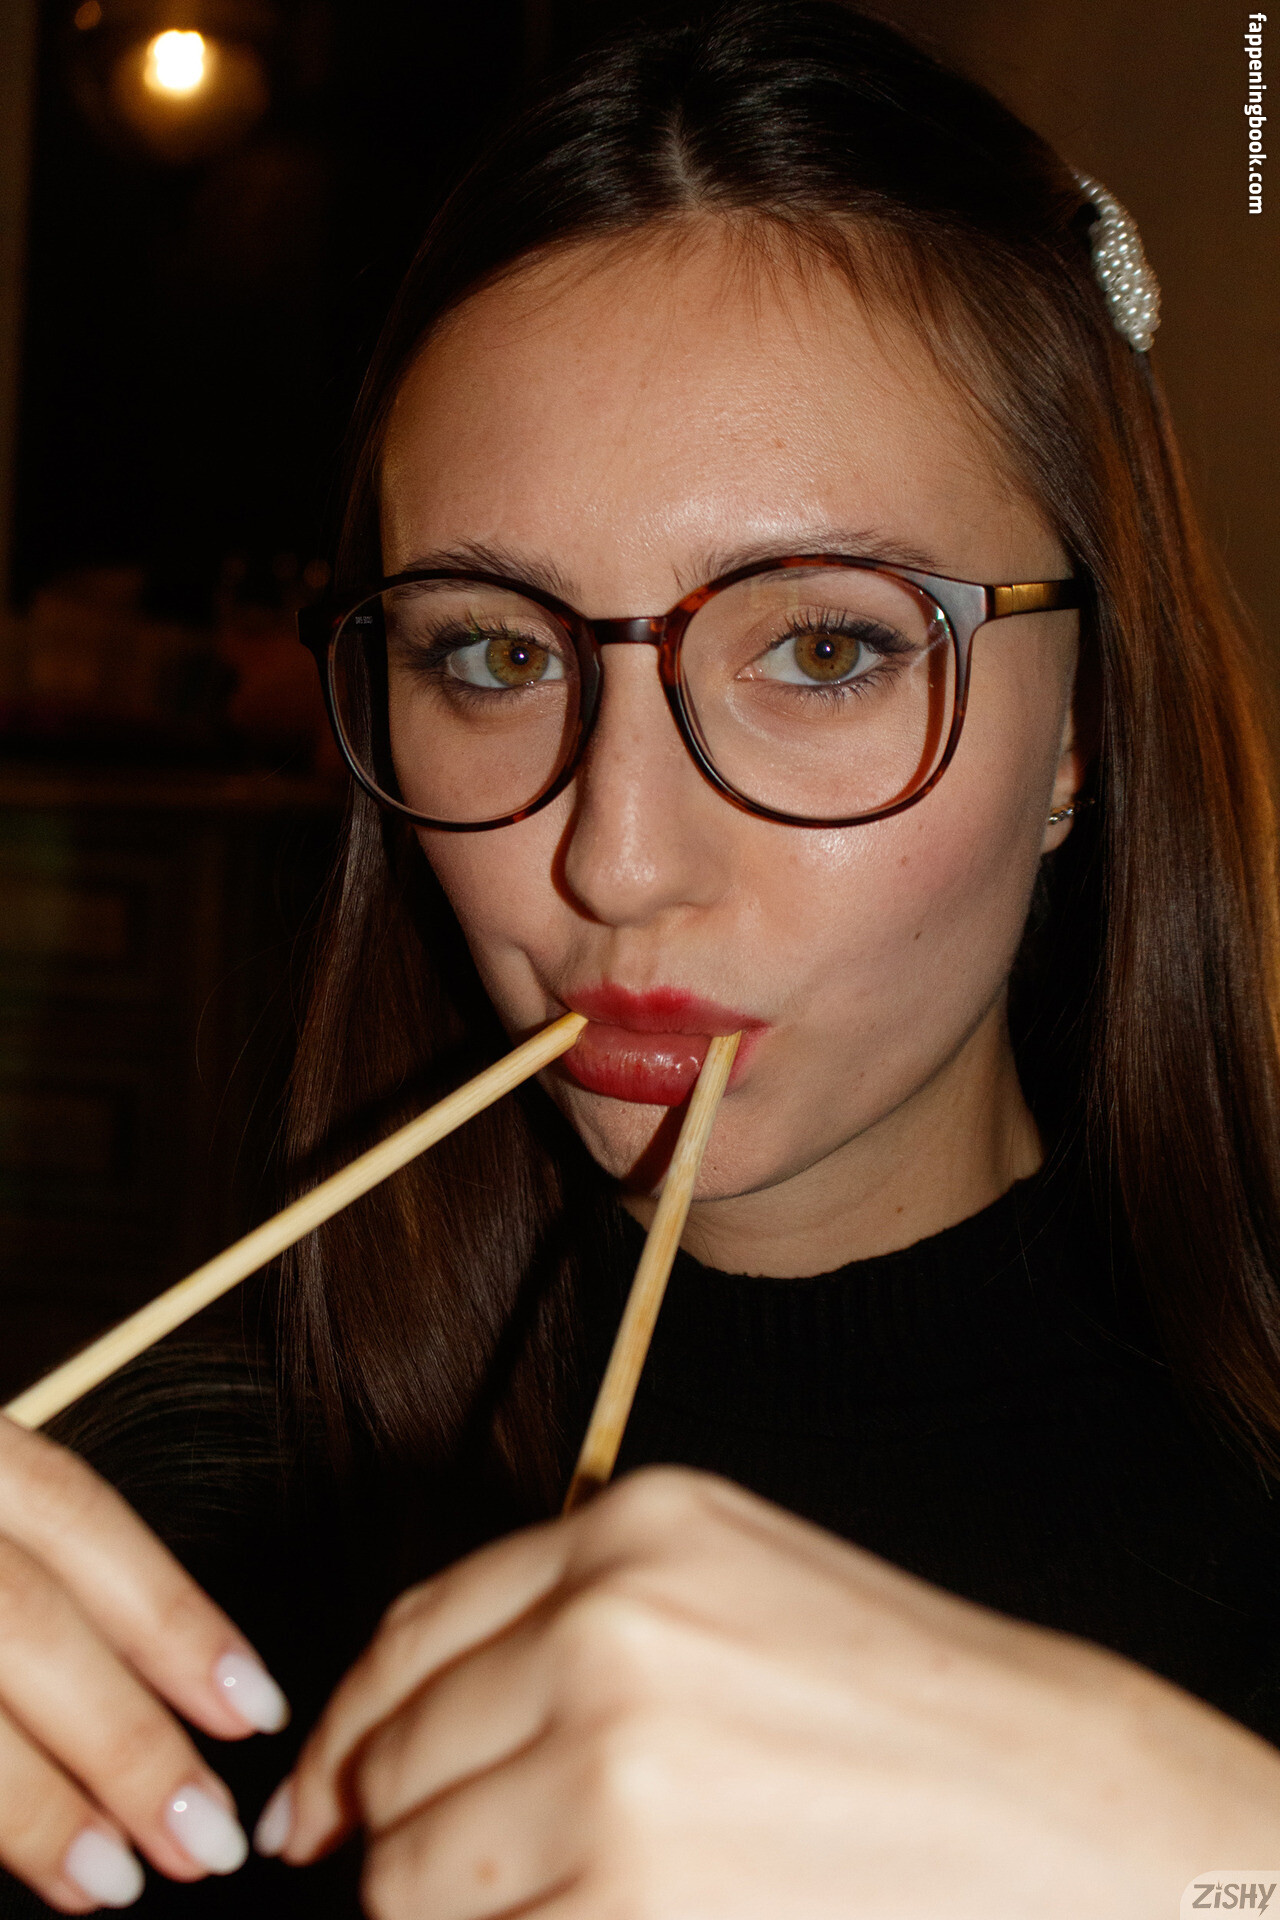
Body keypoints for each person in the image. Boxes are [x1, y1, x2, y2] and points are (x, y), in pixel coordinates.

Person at [4, 4, 1280, 1914]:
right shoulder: (180, 1562)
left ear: (1084, 727)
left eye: (825, 648)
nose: (611, 859)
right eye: (494, 653)